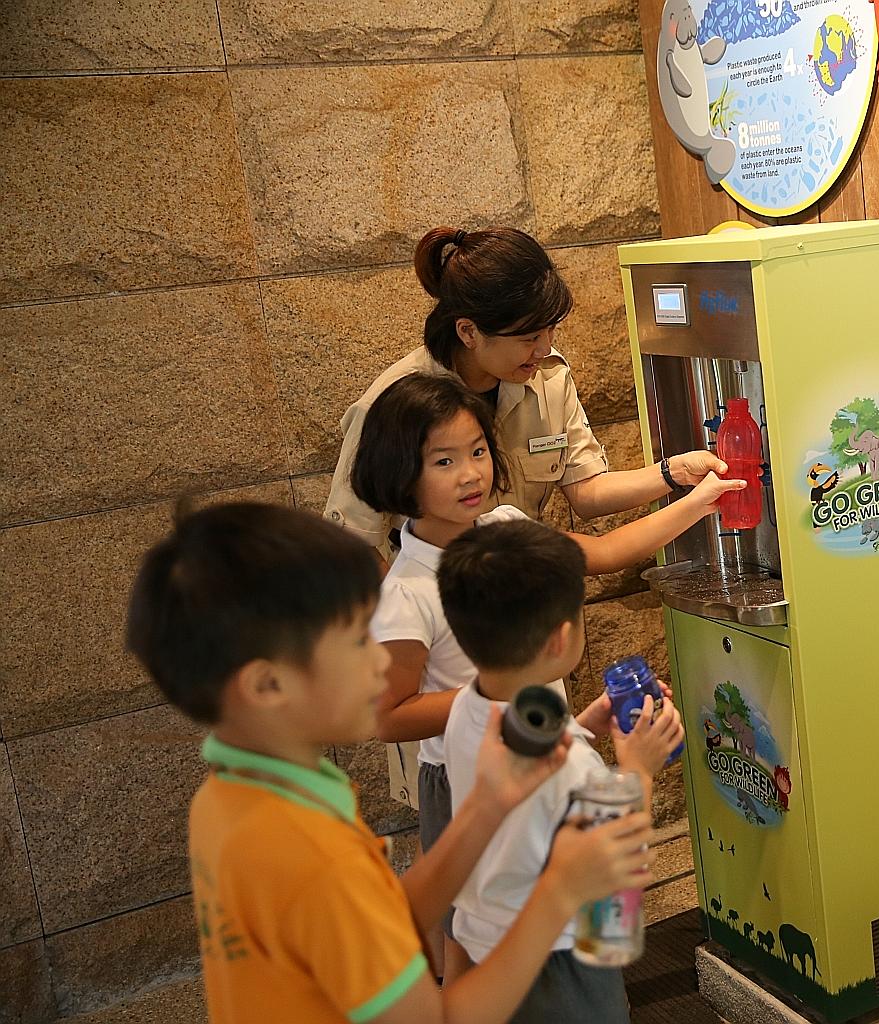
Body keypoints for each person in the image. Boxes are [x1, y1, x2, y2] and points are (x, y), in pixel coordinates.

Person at [123, 502, 655, 1024]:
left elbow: (382, 914)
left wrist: (486, 807)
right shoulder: (311, 853)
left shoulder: (231, 797)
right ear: (268, 685)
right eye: (360, 640)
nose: (383, 659)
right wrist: (558, 894)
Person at [350, 372, 736, 977]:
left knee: (494, 926)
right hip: (472, 781)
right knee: (508, 926)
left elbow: (600, 553)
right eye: (444, 461)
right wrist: (630, 767)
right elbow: (614, 892)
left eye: (478, 451)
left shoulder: (505, 529)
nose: (471, 474)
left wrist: (696, 501)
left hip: (526, 751)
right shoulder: (408, 593)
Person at [326, 225, 727, 559]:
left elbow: (590, 504)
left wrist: (674, 473)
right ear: (468, 332)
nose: (543, 349)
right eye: (529, 337)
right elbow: (354, 545)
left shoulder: (546, 379)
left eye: (550, 331)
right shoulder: (394, 405)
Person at [436, 520, 685, 1024]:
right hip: (561, 962)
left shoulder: (468, 707)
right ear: (561, 638)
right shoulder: (570, 766)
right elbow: (615, 884)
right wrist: (638, 770)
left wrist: (580, 726)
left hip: (488, 946)